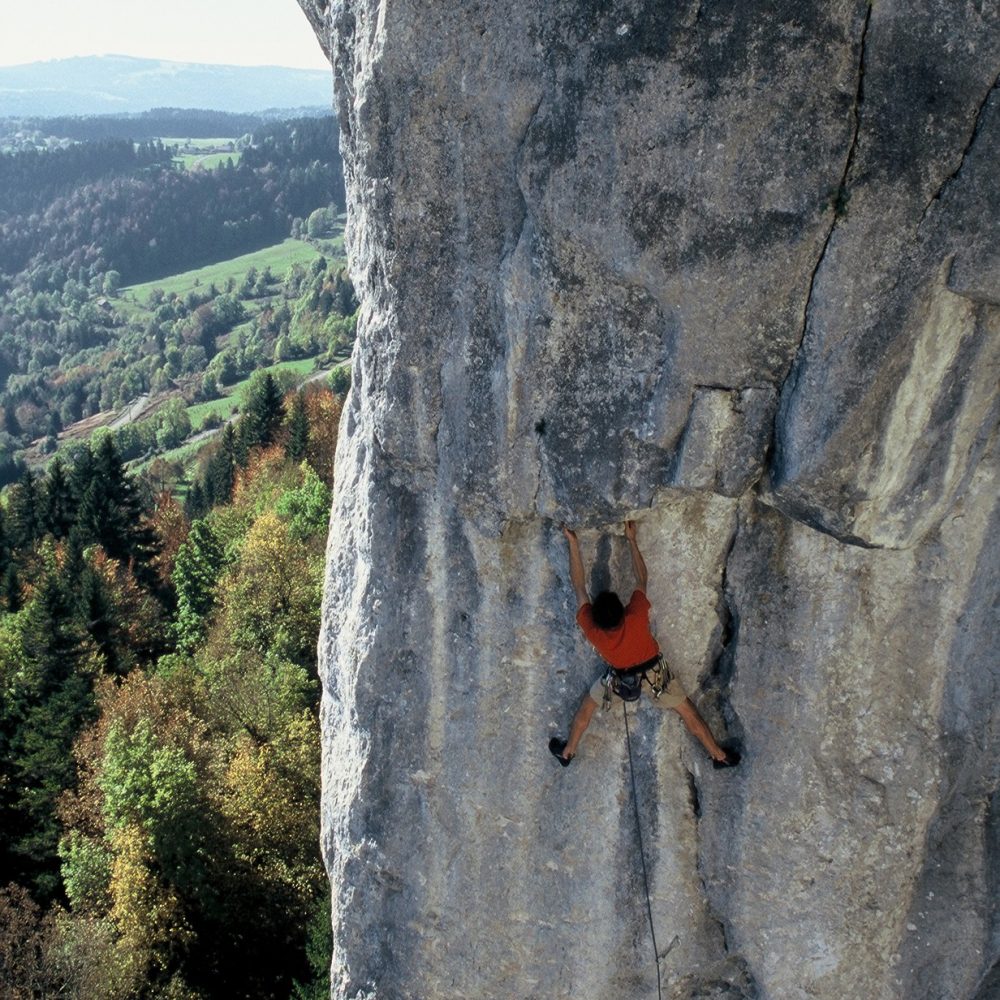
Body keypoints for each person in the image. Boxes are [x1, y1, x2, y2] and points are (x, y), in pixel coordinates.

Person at [549, 521, 740, 769]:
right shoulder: (636, 615)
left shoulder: (592, 630)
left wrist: (573, 543)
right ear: (622, 609)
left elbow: (578, 587)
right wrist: (631, 539)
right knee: (687, 712)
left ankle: (568, 752)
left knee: (587, 707)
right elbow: (642, 577)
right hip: (656, 676)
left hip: (619, 681)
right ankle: (718, 755)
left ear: (595, 617)